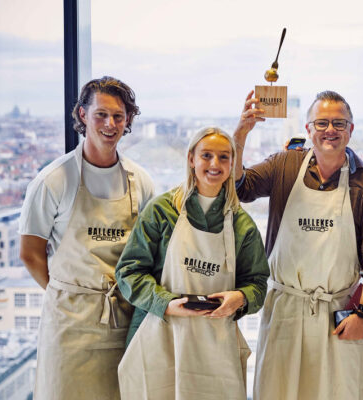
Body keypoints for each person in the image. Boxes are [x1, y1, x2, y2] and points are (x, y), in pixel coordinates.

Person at [234, 90, 363, 400]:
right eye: (321, 123)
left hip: (339, 313)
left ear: (351, 129)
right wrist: (241, 133)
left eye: (339, 123)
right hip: (285, 310)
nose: (330, 130)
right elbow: (242, 187)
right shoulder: (285, 165)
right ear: (308, 129)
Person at [18, 76, 154, 400]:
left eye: (118, 116)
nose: (110, 124)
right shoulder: (53, 180)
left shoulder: (141, 182)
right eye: (101, 115)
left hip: (122, 323)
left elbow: (150, 252)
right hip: (68, 328)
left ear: (129, 120)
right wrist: (69, 293)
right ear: (82, 115)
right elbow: (29, 252)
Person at [115, 127, 269, 399]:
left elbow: (257, 284)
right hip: (159, 335)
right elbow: (129, 272)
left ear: (232, 164)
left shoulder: (241, 224)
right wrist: (166, 303)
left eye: (224, 157)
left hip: (215, 345)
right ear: (191, 159)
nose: (215, 164)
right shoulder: (162, 210)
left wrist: (240, 298)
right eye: (206, 155)